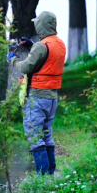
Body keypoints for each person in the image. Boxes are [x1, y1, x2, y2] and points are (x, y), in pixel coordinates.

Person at [13, 10, 66, 175]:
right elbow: (46, 60)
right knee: (46, 135)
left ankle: (42, 176)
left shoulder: (41, 46)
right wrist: (31, 46)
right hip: (52, 98)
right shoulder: (60, 44)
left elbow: (27, 67)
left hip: (36, 98)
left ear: (40, 25)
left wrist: (13, 59)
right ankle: (50, 173)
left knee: (35, 137)